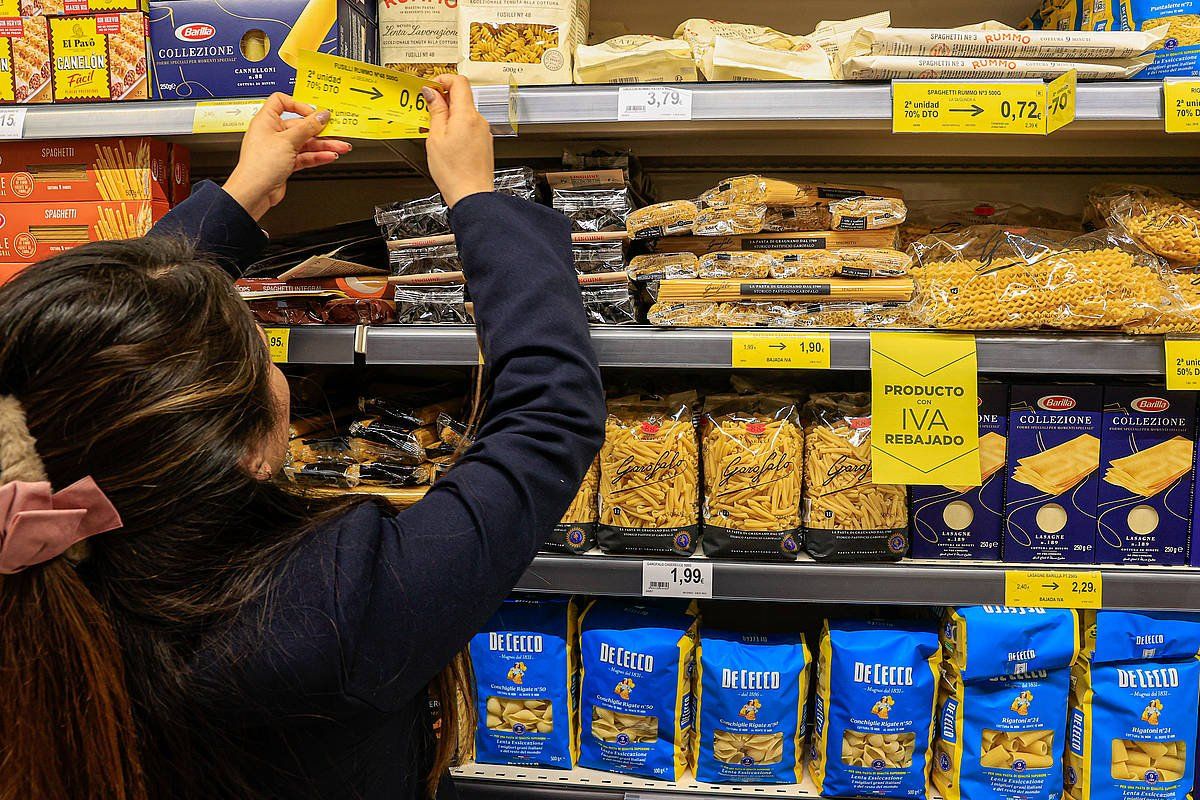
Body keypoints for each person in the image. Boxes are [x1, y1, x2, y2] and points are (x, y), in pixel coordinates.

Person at [0, 78, 605, 800]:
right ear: (250, 456)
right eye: (260, 352)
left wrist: (241, 194)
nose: (275, 360)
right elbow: (547, 418)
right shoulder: (332, 608)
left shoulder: (38, 585)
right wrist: (477, 196)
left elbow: (88, 347)